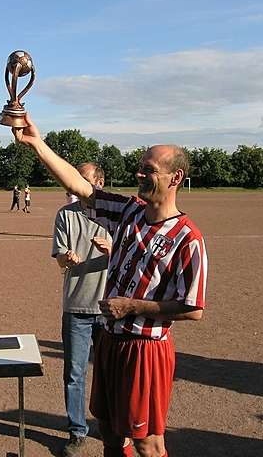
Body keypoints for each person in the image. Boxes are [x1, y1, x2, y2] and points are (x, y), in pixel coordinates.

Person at [13, 116, 207, 457]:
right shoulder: (130, 211)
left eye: (148, 170)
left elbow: (193, 308)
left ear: (175, 177)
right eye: (140, 168)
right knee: (109, 432)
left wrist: (132, 306)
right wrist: (36, 144)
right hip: (110, 341)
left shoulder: (187, 238)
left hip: (145, 348)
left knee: (148, 442)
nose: (139, 175)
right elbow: (80, 187)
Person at [52, 163, 112, 456]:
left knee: (109, 373)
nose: (75, 183)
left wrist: (112, 251)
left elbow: (131, 256)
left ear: (98, 183)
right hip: (76, 307)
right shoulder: (65, 215)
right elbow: (59, 259)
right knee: (74, 374)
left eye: (83, 178)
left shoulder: (114, 216)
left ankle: (109, 425)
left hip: (109, 308)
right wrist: (66, 258)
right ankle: (77, 431)